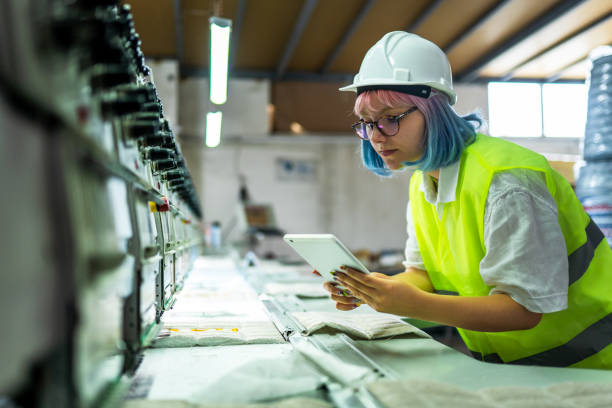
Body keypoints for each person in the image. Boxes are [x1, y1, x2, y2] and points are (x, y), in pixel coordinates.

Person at [323, 31, 612, 369]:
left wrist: (413, 304)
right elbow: (422, 274)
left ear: (434, 111)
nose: (375, 136)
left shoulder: (507, 180)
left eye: (390, 119)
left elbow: (524, 310)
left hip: (593, 367)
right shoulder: (422, 182)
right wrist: (374, 290)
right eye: (368, 123)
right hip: (522, 367)